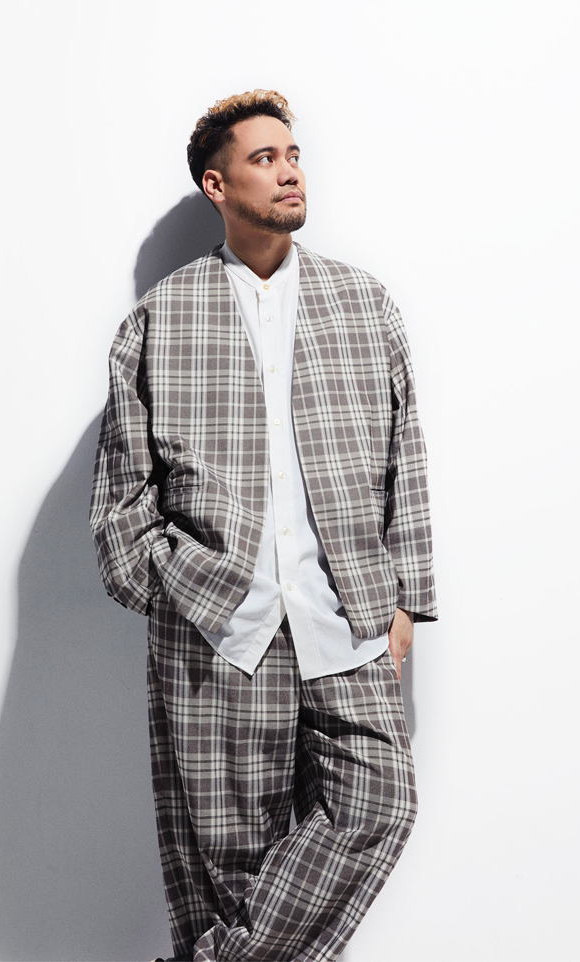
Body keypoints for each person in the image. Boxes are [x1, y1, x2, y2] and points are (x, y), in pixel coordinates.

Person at [90, 89, 437, 962]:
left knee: (380, 802)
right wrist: (175, 589)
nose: (289, 172)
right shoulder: (160, 320)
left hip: (347, 612)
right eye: (264, 158)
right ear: (217, 184)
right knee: (232, 864)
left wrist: (408, 599)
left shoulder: (364, 303)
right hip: (218, 626)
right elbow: (122, 497)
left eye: (293, 155)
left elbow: (406, 458)